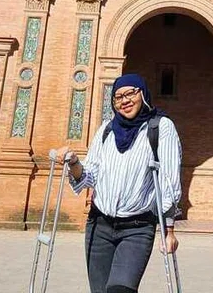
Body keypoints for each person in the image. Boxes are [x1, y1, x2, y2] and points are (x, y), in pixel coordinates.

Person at [55, 73, 182, 293]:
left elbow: (168, 182)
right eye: (118, 97)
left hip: (137, 228)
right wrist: (74, 162)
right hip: (99, 225)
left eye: (131, 93)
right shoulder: (106, 129)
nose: (124, 101)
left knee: (119, 289)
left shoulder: (160, 127)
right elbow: (89, 175)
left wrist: (168, 230)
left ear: (143, 94)